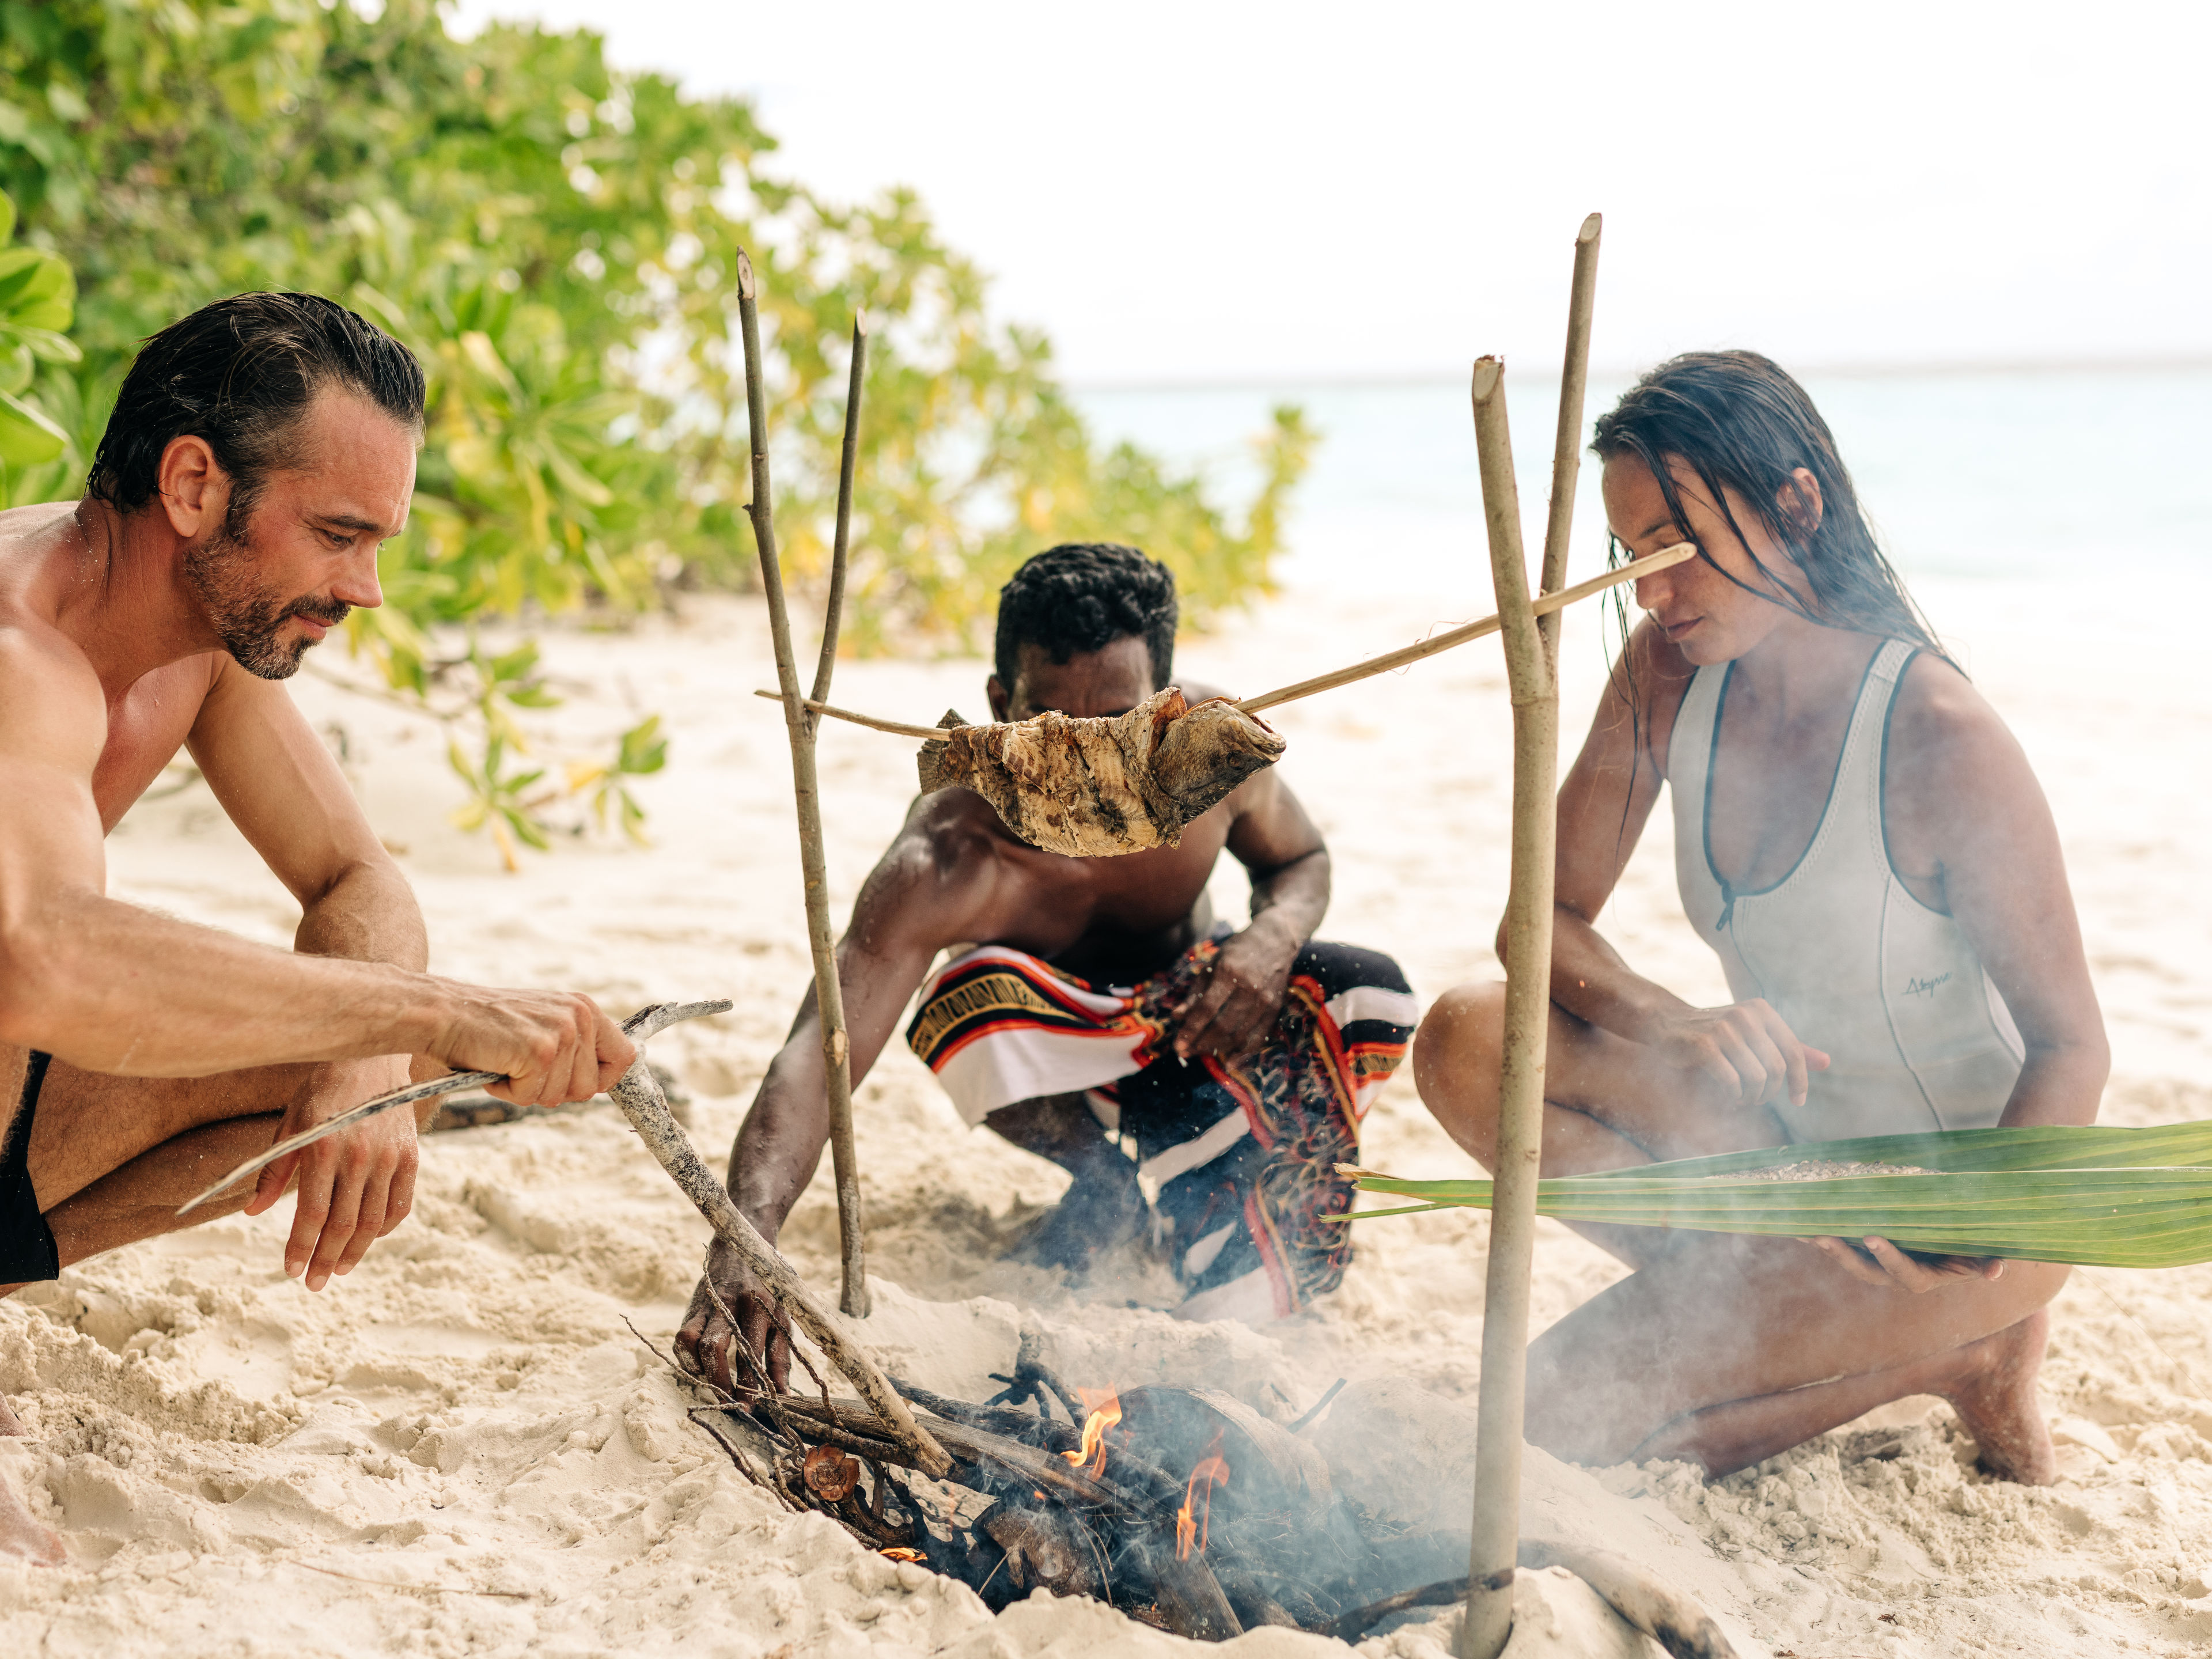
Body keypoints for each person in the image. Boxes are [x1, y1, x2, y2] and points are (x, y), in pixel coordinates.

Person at [0, 292, 639, 1564]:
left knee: (396, 1076)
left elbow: (358, 876)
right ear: (193, 484)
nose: (368, 590)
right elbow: (41, 958)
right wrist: (426, 1010)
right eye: (341, 536)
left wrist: (371, 1063)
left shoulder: (195, 637)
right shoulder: (20, 650)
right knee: (417, 1033)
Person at [1413, 351, 2107, 1485]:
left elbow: (2074, 1043)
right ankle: (1759, 1316)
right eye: (1631, 556)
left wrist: (1977, 1228)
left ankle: (1967, 1343)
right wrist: (1668, 1019)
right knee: (1467, 1037)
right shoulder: (1665, 675)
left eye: (1673, 548)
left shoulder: (1940, 735)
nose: (1650, 591)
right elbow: (1541, 918)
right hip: (1776, 1159)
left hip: (1932, 1221)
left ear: (1796, 505)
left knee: (1542, 1425)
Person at [676, 544, 1416, 1393]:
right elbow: (818, 1051)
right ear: (1001, 704)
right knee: (967, 996)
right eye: (1051, 726)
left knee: (1364, 984)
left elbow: (1303, 860)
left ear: (1166, 707)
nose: (1086, 758)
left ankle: (1217, 1185)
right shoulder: (950, 852)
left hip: (1205, 1021)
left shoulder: (1212, 756)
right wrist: (747, 1241)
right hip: (1051, 1056)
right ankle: (1101, 1183)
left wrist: (1271, 937)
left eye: (1118, 725)